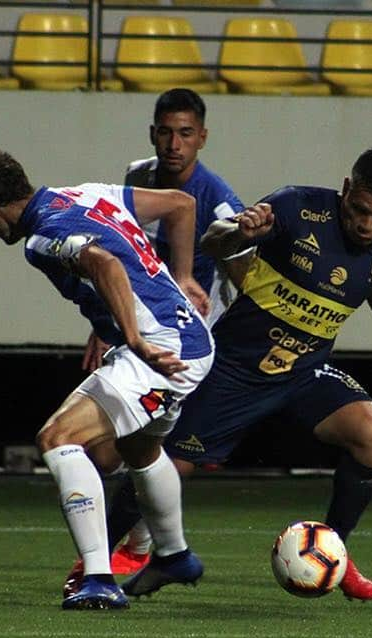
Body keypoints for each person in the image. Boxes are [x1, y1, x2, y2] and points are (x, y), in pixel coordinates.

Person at [82, 146, 372, 602]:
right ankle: (94, 567)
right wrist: (240, 229)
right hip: (233, 370)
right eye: (359, 210)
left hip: (304, 373)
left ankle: (334, 550)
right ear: (345, 190)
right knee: (162, 466)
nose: (367, 224)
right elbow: (215, 241)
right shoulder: (295, 207)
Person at [0, 147, 215, 609]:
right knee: (139, 447)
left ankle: (99, 578)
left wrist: (133, 339)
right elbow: (180, 204)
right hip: (190, 338)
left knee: (57, 438)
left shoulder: (41, 238)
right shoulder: (85, 195)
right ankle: (174, 555)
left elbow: (106, 264)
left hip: (160, 352)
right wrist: (185, 278)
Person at [78, 88, 248, 578]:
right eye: (166, 132)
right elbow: (120, 252)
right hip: (140, 331)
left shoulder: (217, 201)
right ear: (153, 133)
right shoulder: (136, 176)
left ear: (203, 138)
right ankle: (138, 543)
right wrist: (105, 323)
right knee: (111, 448)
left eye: (186, 133)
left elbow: (245, 275)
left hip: (188, 346)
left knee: (139, 444)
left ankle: (135, 548)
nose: (175, 143)